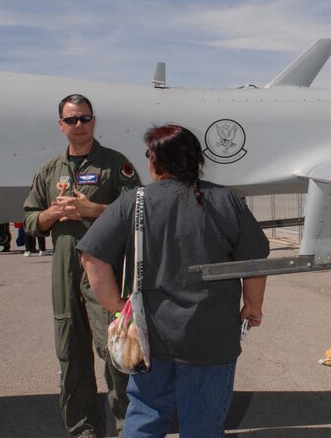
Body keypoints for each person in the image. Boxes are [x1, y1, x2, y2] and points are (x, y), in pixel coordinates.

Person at [78, 124, 268, 438]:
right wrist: (252, 306)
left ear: (156, 161)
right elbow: (254, 261)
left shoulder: (134, 201)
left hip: (150, 336)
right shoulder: (226, 200)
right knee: (203, 424)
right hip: (212, 337)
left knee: (145, 416)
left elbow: (92, 256)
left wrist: (117, 305)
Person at [23, 94, 140, 438]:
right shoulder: (49, 171)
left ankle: (130, 429)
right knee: (70, 354)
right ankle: (84, 430)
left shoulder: (115, 165)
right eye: (71, 119)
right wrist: (51, 214)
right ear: (61, 125)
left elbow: (138, 211)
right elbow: (30, 220)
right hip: (65, 272)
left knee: (115, 351)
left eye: (85, 118)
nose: (79, 125)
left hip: (104, 271)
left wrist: (94, 210)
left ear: (94, 121)